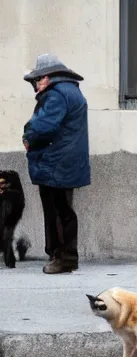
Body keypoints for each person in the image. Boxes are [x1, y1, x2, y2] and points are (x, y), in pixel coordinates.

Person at [22, 54, 91, 274]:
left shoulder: (56, 95)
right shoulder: (72, 91)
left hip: (55, 161)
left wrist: (28, 137)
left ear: (49, 77)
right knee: (62, 209)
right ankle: (60, 255)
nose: (36, 84)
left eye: (38, 79)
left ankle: (64, 259)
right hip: (64, 161)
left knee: (59, 210)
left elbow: (43, 127)